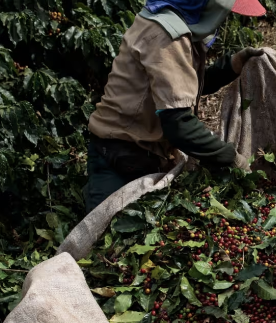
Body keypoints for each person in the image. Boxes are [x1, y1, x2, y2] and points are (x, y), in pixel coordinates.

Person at [84, 0, 266, 213]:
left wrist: (230, 66)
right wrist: (231, 157)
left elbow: (179, 86)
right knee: (103, 231)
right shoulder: (167, 35)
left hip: (134, 151)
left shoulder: (165, 16)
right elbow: (179, 124)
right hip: (121, 154)